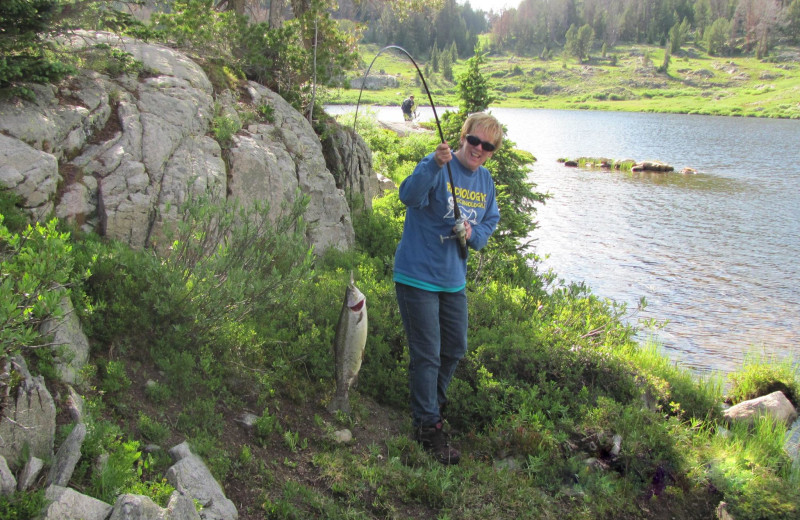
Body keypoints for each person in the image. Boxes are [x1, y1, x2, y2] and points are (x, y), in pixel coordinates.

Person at [393, 112, 502, 464]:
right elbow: (408, 196)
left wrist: (473, 235)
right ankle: (428, 427)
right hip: (417, 276)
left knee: (454, 347)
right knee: (427, 353)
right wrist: (431, 164)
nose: (479, 149)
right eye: (475, 141)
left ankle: (431, 407)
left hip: (453, 282)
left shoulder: (485, 182)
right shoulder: (438, 165)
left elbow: (490, 221)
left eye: (487, 146)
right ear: (463, 137)